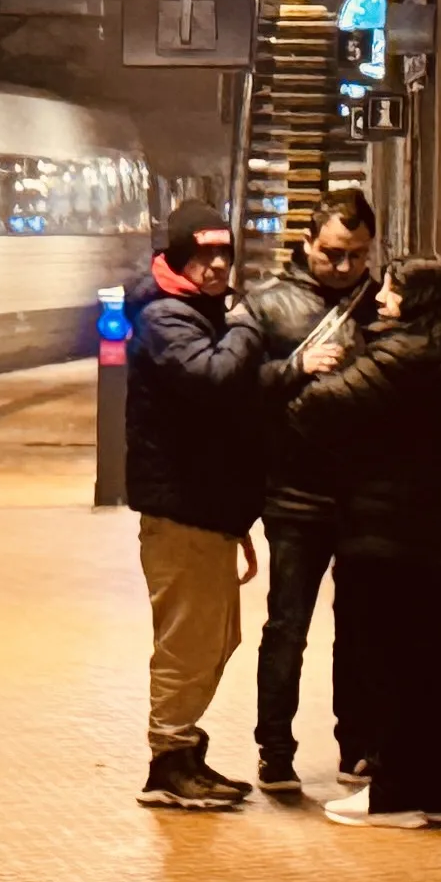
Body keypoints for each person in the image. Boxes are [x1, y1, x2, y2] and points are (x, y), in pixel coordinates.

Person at [281, 256, 441, 827]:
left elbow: (314, 408)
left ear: (418, 300)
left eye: (394, 291)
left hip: (387, 533)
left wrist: (313, 372)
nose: (380, 299)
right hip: (435, 532)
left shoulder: (404, 355)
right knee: (429, 665)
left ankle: (396, 794)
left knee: (390, 665)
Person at [125, 199, 264, 810]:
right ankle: (168, 762)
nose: (215, 265)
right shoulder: (166, 318)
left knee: (216, 637)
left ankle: (184, 752)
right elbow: (214, 379)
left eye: (223, 254)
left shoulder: (198, 310)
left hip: (205, 508)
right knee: (188, 639)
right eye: (202, 254)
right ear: (177, 255)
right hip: (181, 511)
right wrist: (247, 325)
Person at [244, 189, 381, 795]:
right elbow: (240, 387)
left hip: (364, 493)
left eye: (356, 255)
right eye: (332, 254)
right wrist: (297, 369)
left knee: (360, 627)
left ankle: (357, 746)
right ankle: (275, 749)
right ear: (306, 244)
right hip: (293, 492)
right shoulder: (268, 306)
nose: (345, 267)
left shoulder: (383, 304)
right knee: (288, 624)